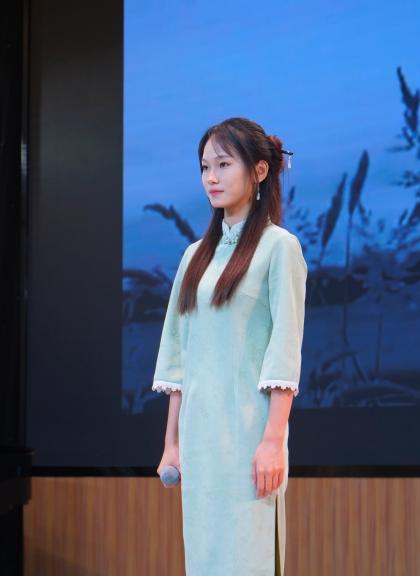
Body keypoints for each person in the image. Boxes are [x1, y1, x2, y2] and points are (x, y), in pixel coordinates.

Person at [154, 118, 306, 575]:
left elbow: (284, 350)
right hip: (200, 444)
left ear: (259, 171)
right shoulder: (194, 256)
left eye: (223, 164)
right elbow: (178, 355)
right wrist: (172, 444)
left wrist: (273, 443)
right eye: (205, 167)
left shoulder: (280, 248)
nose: (211, 178)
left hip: (248, 441)